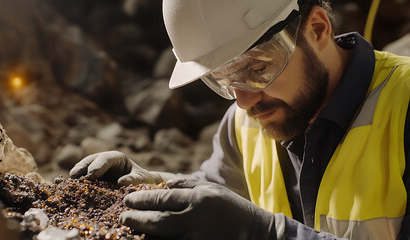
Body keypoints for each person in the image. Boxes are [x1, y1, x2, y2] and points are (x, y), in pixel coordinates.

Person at [70, 0, 410, 239]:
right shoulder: (243, 123)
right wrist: (152, 183)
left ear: (317, 29)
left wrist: (265, 233)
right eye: (223, 81)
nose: (244, 101)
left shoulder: (403, 105)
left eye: (258, 69)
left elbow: (241, 222)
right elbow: (216, 198)